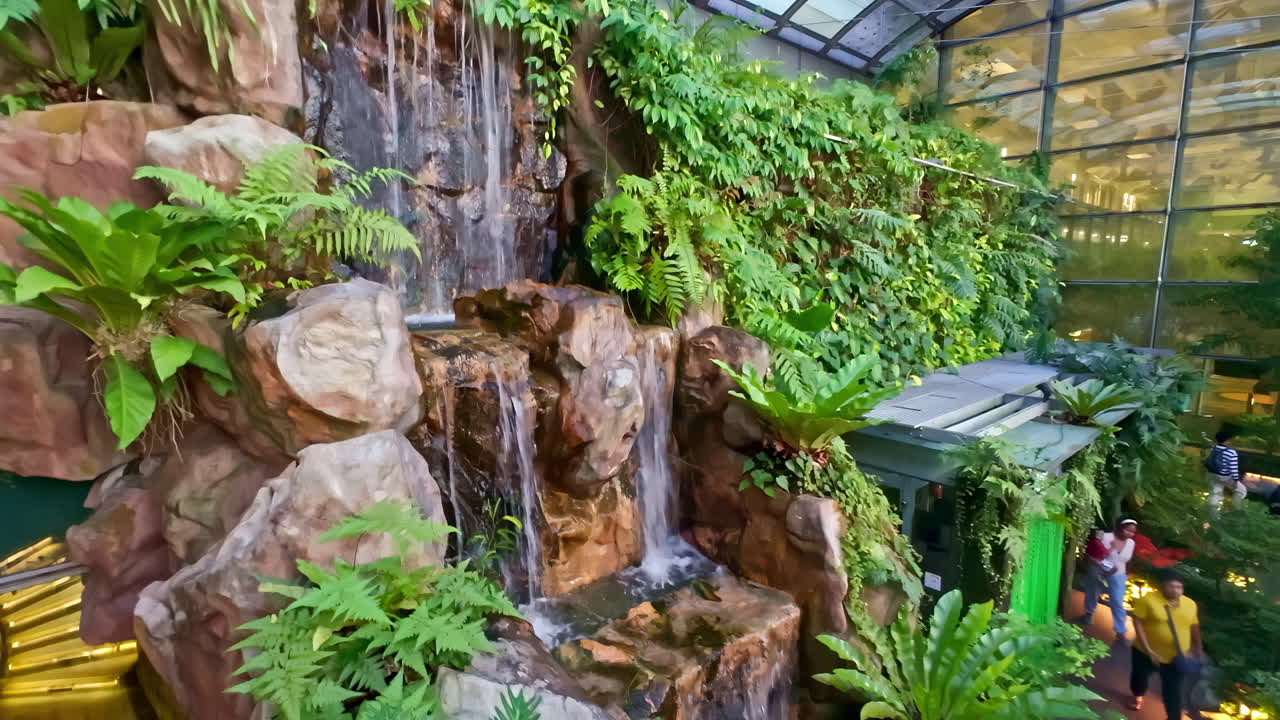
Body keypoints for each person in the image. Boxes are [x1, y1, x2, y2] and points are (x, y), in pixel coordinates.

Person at [1129, 570, 1202, 719]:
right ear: (1163, 586)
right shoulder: (1148, 600)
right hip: (1144, 652)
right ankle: (1138, 695)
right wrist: (1148, 649)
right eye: (1171, 586)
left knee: (1173, 691)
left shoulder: (1190, 604)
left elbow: (1194, 626)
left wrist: (1198, 647)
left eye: (1179, 587)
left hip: (1175, 657)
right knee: (1139, 678)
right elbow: (1137, 621)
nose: (1175, 590)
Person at [1083, 518, 1137, 637]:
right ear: (1119, 527)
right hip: (1098, 570)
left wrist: (1126, 574)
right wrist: (1095, 563)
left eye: (1133, 532)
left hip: (1118, 574)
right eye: (1128, 530)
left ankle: (1120, 630)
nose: (1130, 534)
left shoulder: (1131, 543)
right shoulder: (1104, 536)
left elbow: (1128, 560)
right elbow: (1090, 552)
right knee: (1093, 591)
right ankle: (1089, 613)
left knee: (1117, 600)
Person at [1205, 430, 1247, 511]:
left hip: (1210, 475)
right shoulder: (1231, 452)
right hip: (1224, 477)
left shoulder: (1212, 448)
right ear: (1227, 441)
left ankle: (1212, 516)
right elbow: (1233, 469)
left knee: (1215, 494)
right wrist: (1235, 481)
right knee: (1241, 490)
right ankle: (1235, 511)